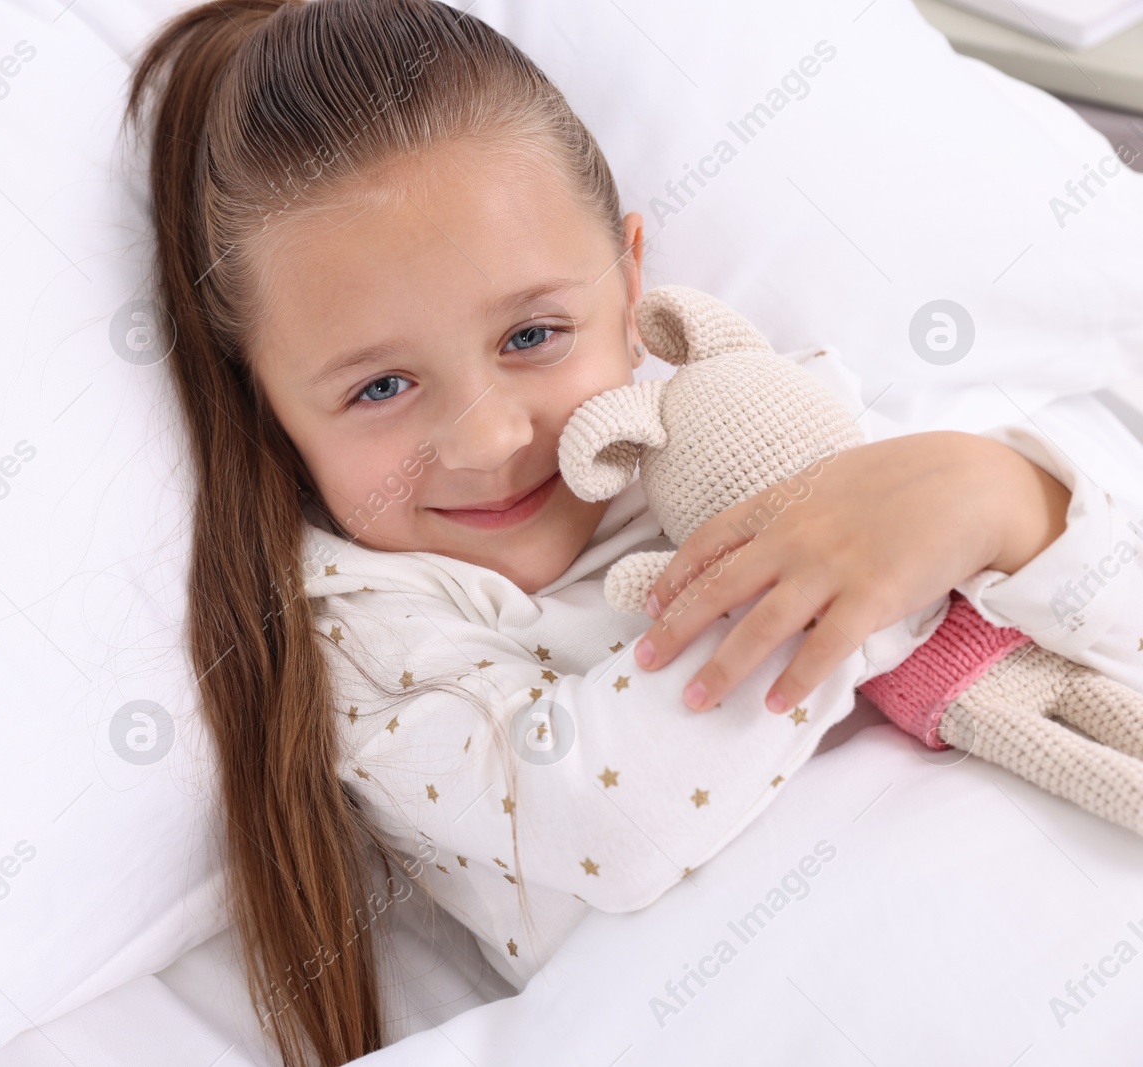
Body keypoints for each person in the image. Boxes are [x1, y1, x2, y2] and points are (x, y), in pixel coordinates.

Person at [122, 1, 1143, 1063]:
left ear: (629, 279)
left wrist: (999, 497)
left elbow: (1112, 633)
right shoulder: (370, 624)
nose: (486, 438)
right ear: (268, 404)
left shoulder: (733, 417)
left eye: (531, 334)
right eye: (380, 385)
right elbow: (603, 822)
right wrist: (866, 593)